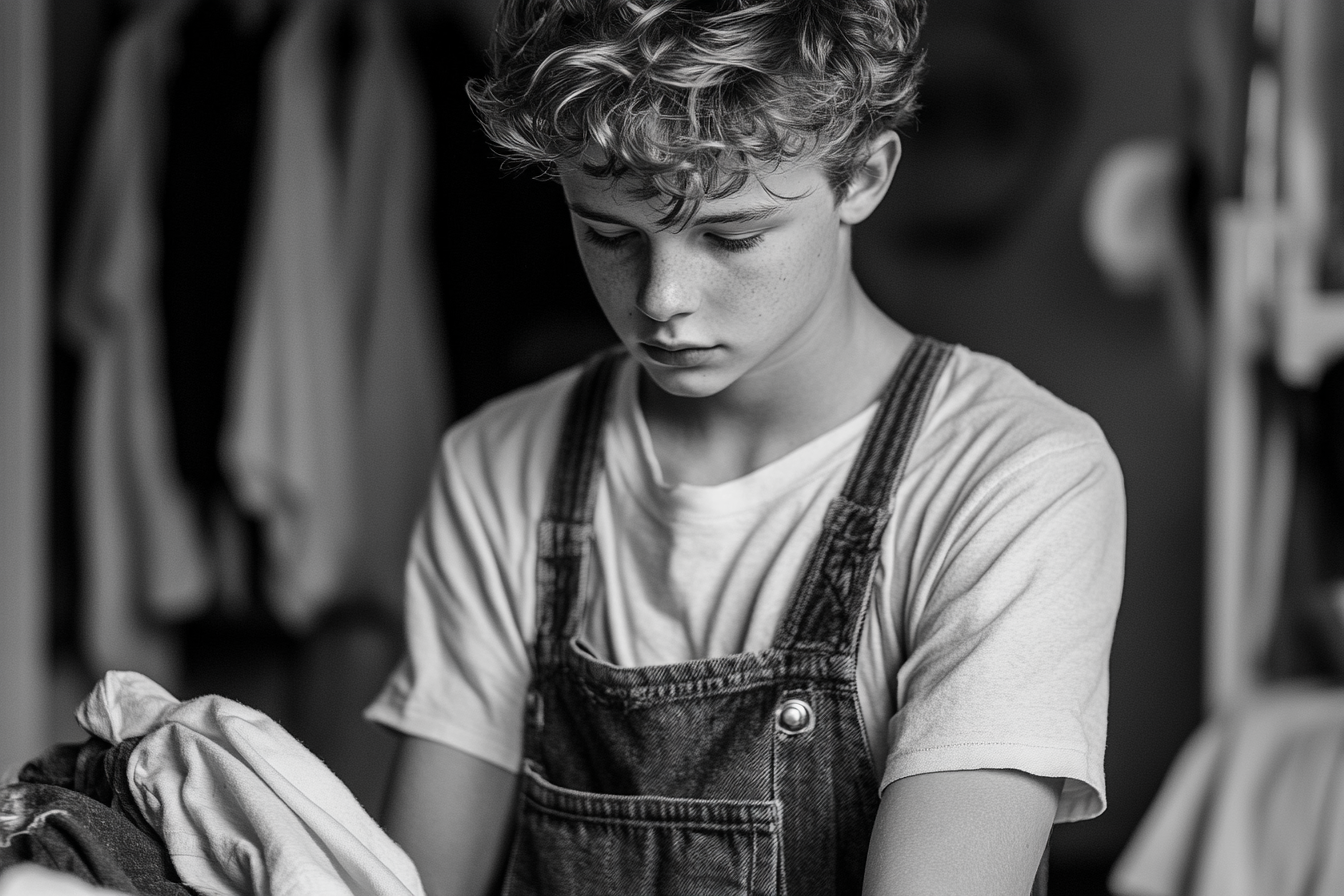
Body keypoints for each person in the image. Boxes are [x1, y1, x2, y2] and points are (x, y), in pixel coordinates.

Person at [365, 1, 1126, 894]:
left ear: (865, 177)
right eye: (609, 233)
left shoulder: (1016, 474)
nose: (662, 300)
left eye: (731, 235)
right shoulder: (499, 464)